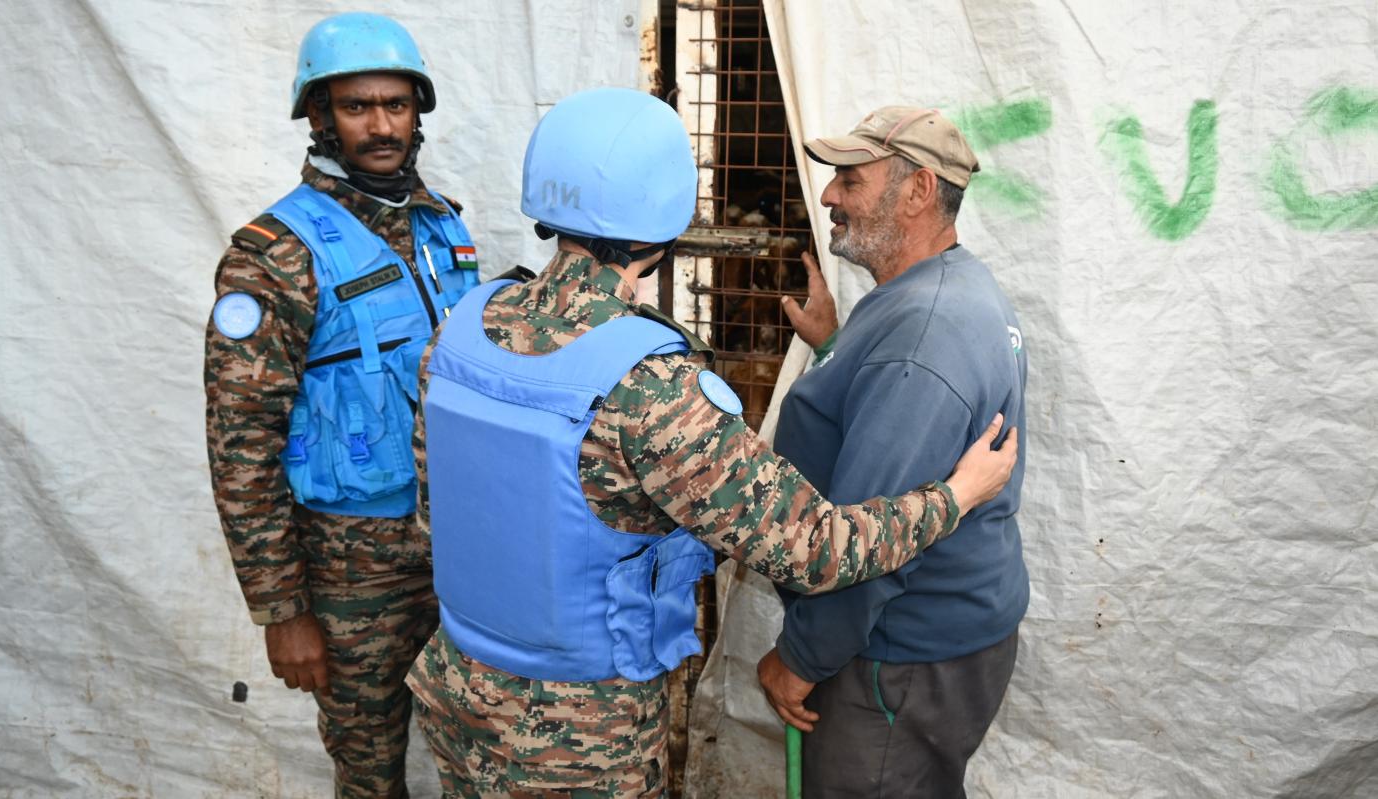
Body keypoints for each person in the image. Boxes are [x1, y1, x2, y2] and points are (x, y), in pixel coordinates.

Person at [403, 87, 1018, 798]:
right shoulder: (651, 387)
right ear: (666, 212)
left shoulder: (462, 328)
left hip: (457, 688)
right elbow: (816, 546)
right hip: (576, 734)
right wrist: (956, 494)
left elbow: (433, 514)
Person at [203, 13, 479, 798]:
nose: (382, 124)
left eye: (397, 104)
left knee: (484, 750)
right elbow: (241, 442)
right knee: (370, 774)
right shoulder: (273, 255)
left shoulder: (444, 226)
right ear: (320, 115)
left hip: (464, 553)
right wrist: (281, 609)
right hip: (352, 575)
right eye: (358, 107)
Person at [756, 106, 1029, 797]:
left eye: (850, 179)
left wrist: (800, 657)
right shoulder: (936, 289)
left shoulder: (923, 334)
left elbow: (869, 536)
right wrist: (833, 345)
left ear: (917, 192)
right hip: (926, 644)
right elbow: (895, 416)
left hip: (893, 654)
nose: (828, 196)